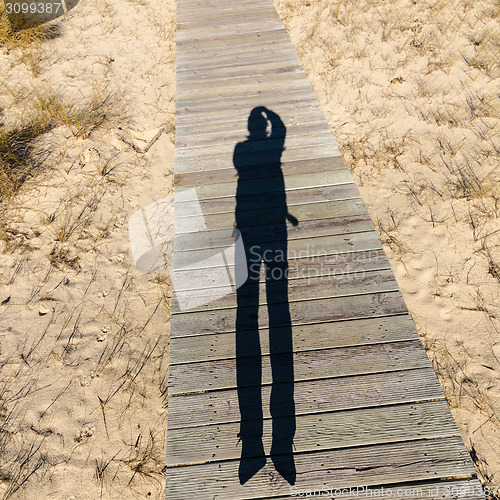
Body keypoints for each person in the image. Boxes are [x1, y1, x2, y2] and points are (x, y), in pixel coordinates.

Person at [234, 106, 297, 485]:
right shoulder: (256, 149)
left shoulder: (241, 151)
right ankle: (278, 446)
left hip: (249, 223)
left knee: (249, 315)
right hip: (272, 226)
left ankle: (253, 447)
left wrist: (261, 113)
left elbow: (277, 136)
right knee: (278, 310)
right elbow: (282, 132)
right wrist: (266, 111)